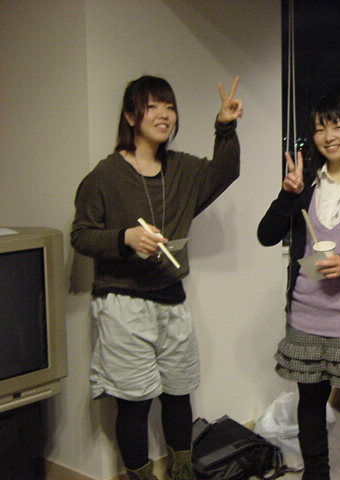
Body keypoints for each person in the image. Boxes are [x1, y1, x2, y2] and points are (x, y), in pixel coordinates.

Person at [71, 75, 242, 480]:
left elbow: (225, 171)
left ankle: (181, 471)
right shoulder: (105, 176)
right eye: (152, 106)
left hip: (172, 299)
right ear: (131, 116)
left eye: (170, 107)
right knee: (134, 403)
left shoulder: (182, 169)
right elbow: (81, 235)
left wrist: (225, 126)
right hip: (123, 304)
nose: (164, 115)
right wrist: (124, 237)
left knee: (179, 394)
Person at [257, 94, 340, 480]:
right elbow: (266, 235)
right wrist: (287, 195)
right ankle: (315, 474)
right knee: (311, 402)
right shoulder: (305, 184)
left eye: (337, 125)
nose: (328, 136)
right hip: (305, 314)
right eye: (320, 128)